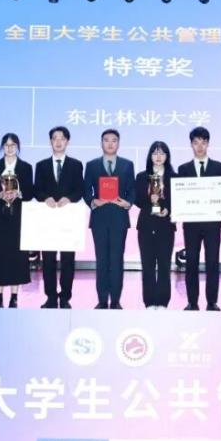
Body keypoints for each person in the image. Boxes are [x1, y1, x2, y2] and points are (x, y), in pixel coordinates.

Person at [84, 129, 136, 309]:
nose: (110, 144)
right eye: (106, 140)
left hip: (119, 218)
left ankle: (115, 300)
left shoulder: (127, 165)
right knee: (102, 260)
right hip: (99, 218)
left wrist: (127, 202)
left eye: (114, 140)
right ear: (101, 143)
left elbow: (132, 189)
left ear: (118, 143)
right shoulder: (91, 165)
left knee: (116, 260)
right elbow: (86, 190)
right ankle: (101, 300)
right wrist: (93, 201)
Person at [33, 126, 84, 309]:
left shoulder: (76, 165)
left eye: (62, 138)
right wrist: (45, 197)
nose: (58, 141)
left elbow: (80, 190)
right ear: (50, 142)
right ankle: (51, 297)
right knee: (48, 260)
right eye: (55, 138)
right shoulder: (41, 165)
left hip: (68, 218)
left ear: (67, 141)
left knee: (68, 260)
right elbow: (36, 189)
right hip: (48, 218)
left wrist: (69, 198)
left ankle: (65, 296)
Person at [176, 126, 221, 311]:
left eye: (203, 142)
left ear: (208, 144)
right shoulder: (183, 169)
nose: (199, 146)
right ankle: (192, 302)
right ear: (191, 144)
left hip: (213, 223)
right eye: (196, 142)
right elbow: (180, 197)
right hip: (191, 224)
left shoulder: (219, 167)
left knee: (213, 262)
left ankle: (212, 301)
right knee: (191, 263)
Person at [0, 133, 34, 308]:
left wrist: (19, 193)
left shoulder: (26, 167)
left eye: (13, 145)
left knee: (16, 257)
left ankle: (14, 296)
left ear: (18, 147)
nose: (10, 148)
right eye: (6, 145)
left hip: (17, 217)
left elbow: (30, 192)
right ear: (2, 147)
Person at [134, 141, 175, 309]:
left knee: (164, 265)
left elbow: (178, 201)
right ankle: (149, 301)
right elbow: (137, 200)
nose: (158, 157)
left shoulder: (174, 177)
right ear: (150, 156)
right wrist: (148, 198)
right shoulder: (142, 176)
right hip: (146, 225)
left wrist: (168, 210)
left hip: (165, 225)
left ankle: (163, 301)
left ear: (167, 156)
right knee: (148, 265)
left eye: (162, 153)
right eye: (155, 153)